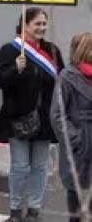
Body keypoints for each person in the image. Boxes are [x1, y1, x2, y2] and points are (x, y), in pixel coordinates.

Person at [0, 8, 63, 222]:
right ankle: (15, 209)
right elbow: (0, 81)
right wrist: (15, 69)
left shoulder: (52, 51)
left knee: (40, 167)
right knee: (20, 166)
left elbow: (60, 81)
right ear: (25, 26)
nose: (42, 28)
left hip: (44, 119)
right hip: (18, 119)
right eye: (37, 24)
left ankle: (34, 210)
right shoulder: (9, 50)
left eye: (44, 24)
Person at [50, 32, 92, 222]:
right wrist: (74, 139)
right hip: (79, 140)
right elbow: (58, 114)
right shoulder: (67, 77)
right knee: (75, 194)